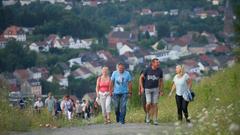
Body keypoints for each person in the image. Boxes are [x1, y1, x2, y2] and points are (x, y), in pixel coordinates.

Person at [139, 58, 163, 125]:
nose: (158, 64)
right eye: (157, 62)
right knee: (148, 103)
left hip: (155, 89)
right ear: (152, 63)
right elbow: (141, 78)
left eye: (158, 62)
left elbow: (161, 81)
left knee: (155, 104)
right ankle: (147, 115)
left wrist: (161, 90)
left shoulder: (160, 70)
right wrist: (142, 87)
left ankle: (155, 119)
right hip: (147, 89)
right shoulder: (147, 69)